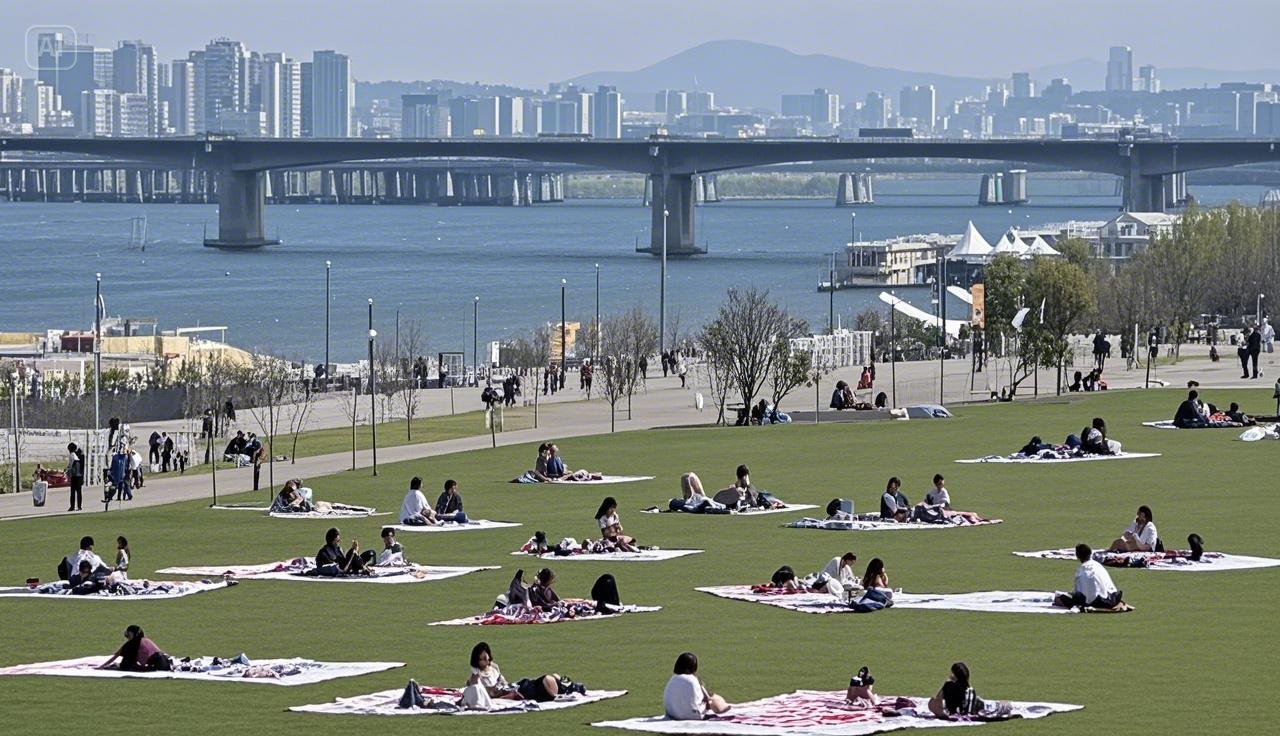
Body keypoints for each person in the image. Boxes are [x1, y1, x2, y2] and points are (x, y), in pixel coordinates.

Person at [1054, 543, 1126, 610]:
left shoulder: (1081, 570)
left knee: (1060, 598)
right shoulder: (1098, 565)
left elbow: (1081, 594)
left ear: (1077, 556)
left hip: (1097, 602)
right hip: (1113, 599)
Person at [663, 652, 731, 720]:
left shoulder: (672, 679)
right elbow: (705, 699)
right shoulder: (693, 680)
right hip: (693, 715)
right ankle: (726, 707)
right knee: (714, 698)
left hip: (672, 714)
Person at [460, 642, 522, 708]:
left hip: (504, 690)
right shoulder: (477, 674)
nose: (486, 661)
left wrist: (503, 685)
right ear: (477, 660)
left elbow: (504, 682)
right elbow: (476, 689)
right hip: (494, 695)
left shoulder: (494, 667)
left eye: (487, 658)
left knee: (523, 686)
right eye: (483, 659)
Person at [99, 625, 171, 672]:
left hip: (157, 666)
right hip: (165, 662)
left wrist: (102, 667)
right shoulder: (146, 640)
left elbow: (116, 656)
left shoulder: (132, 643)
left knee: (126, 666)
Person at [923, 474, 989, 524]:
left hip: (944, 510)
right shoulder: (932, 492)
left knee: (960, 515)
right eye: (939, 483)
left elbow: (946, 502)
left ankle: (976, 518)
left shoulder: (943, 491)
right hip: (934, 511)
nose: (941, 485)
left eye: (941, 483)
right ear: (936, 484)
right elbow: (926, 500)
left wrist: (940, 506)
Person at [65, 442, 85, 512]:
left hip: (74, 476)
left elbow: (72, 465)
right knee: (79, 492)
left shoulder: (72, 455)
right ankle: (79, 506)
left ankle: (72, 506)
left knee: (73, 492)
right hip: (79, 475)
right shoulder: (77, 455)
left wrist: (68, 471)